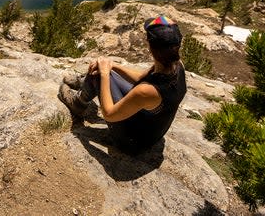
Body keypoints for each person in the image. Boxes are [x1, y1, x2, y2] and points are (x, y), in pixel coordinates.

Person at [58, 14, 187, 154]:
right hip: (147, 126)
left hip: (132, 142)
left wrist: (105, 74)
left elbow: (108, 114)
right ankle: (86, 83)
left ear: (150, 46)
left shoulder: (147, 91)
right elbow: (141, 77)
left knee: (100, 76)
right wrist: (113, 66)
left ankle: (79, 103)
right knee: (105, 70)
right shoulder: (175, 65)